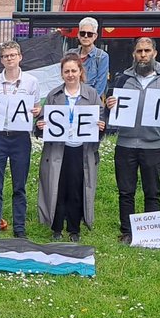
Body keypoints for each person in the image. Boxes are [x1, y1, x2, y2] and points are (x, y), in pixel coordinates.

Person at [106, 37, 160, 244]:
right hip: (125, 144)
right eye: (139, 51)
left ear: (155, 53)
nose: (143, 55)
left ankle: (150, 233)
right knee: (126, 191)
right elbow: (109, 108)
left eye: (147, 50)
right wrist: (109, 105)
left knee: (152, 191)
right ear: (134, 55)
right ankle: (127, 231)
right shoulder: (122, 79)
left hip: (153, 144)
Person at [36, 54, 105, 242]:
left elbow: (101, 119)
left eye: (74, 70)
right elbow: (41, 121)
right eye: (66, 71)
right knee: (57, 187)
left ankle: (74, 229)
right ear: (62, 74)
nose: (70, 74)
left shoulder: (91, 94)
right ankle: (56, 227)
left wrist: (101, 126)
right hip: (59, 149)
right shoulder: (54, 95)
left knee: (76, 189)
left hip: (80, 150)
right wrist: (40, 125)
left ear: (80, 72)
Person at [0, 40, 41, 238]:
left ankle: (20, 228)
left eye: (13, 55)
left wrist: (37, 111)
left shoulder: (31, 81)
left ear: (20, 57)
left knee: (19, 186)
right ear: (1, 60)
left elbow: (36, 107)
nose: (9, 59)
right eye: (6, 56)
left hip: (20, 137)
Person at [67, 17, 110, 94]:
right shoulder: (70, 54)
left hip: (91, 100)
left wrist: (88, 102)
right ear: (78, 35)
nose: (85, 36)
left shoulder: (102, 57)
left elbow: (100, 86)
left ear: (95, 36)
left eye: (89, 34)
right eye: (82, 33)